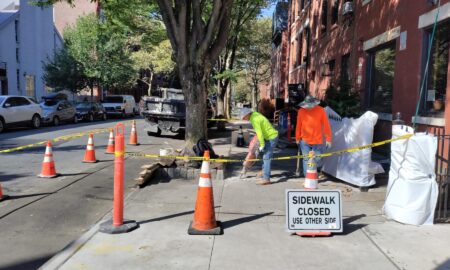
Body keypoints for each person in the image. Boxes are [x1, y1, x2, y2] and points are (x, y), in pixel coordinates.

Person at [240, 108, 279, 185]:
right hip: (267, 137)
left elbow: (259, 133)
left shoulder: (255, 119)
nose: (244, 119)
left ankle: (266, 178)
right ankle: (264, 171)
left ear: (247, 114)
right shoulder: (254, 115)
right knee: (262, 155)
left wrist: (262, 144)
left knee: (266, 157)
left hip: (271, 137)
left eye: (244, 117)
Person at [295, 95, 332, 177]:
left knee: (317, 158)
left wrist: (328, 139)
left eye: (309, 106)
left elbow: (326, 125)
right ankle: (308, 178)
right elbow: (298, 125)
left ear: (314, 104)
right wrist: (297, 138)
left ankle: (316, 170)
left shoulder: (321, 110)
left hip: (317, 140)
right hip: (304, 140)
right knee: (306, 159)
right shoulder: (301, 111)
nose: (308, 108)